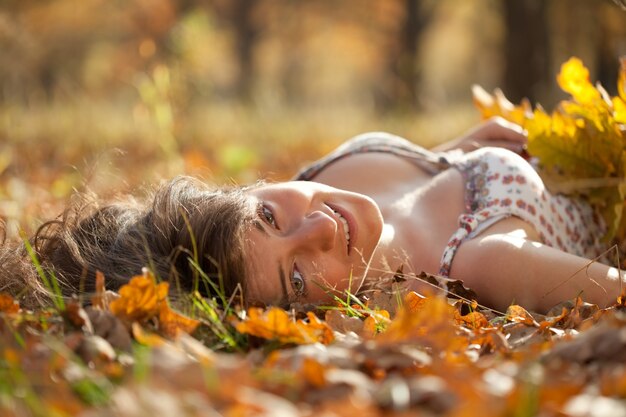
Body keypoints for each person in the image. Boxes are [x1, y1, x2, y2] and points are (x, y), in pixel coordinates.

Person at [0, 118, 621, 313]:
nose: (320, 229)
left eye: (268, 216)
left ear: (251, 188)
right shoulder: (484, 262)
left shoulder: (316, 181)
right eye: (297, 278)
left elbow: (425, 173)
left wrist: (460, 149)